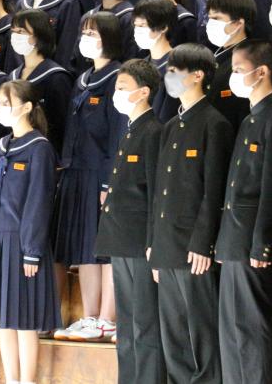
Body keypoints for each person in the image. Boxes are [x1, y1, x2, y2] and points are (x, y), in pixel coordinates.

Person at [147, 43, 234, 384]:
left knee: (201, 331)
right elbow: (160, 192)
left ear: (197, 75)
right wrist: (153, 243)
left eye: (174, 70)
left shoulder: (215, 123)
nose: (168, 76)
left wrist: (203, 243)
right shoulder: (171, 125)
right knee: (174, 335)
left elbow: (213, 192)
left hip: (194, 248)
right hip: (167, 245)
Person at [215, 39, 272, 384]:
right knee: (232, 330)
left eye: (238, 70)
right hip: (235, 237)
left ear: (261, 71)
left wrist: (263, 243)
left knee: (251, 328)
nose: (232, 76)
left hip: (253, 241)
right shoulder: (252, 117)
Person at [0, 80, 61, 384]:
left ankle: (27, 380)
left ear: (27, 107)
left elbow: (38, 201)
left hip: (22, 243)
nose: (1, 109)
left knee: (24, 320)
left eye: (7, 103)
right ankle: (11, 379)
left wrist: (31, 251)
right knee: (3, 321)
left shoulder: (39, 148)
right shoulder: (0, 146)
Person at [54, 12, 125, 342]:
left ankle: (108, 318)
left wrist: (110, 181)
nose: (86, 39)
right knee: (85, 246)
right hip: (77, 171)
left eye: (93, 33)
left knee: (105, 247)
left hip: (101, 173)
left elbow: (117, 134)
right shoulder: (82, 78)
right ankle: (90, 316)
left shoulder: (117, 76)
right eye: (84, 33)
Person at [93, 59, 166, 384]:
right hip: (122, 240)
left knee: (144, 324)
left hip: (140, 243)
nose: (117, 93)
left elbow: (156, 195)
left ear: (144, 91)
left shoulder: (153, 132)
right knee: (126, 324)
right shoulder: (131, 129)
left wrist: (153, 242)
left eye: (123, 87)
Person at [6, 9, 74, 155]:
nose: (16, 36)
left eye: (21, 31)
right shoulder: (13, 76)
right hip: (14, 152)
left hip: (44, 153)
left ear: (39, 34)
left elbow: (63, 126)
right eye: (14, 31)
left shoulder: (56, 77)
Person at [204, 0, 255, 132]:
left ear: (238, 23)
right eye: (210, 18)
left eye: (217, 18)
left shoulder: (249, 59)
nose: (210, 24)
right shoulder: (214, 56)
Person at [132, 0, 180, 122]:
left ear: (163, 27)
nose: (137, 30)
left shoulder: (177, 67)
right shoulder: (141, 65)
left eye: (142, 25)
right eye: (136, 25)